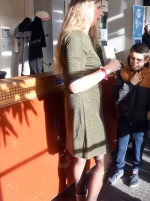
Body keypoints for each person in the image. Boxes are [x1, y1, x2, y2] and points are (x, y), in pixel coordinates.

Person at [54, 1, 121, 200]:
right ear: (85, 8)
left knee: (81, 157)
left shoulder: (78, 36)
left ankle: (81, 197)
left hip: (86, 106)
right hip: (85, 107)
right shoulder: (75, 37)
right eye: (99, 7)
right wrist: (107, 69)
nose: (101, 13)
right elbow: (75, 85)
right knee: (102, 160)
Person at [107, 43, 150, 187]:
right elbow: (116, 97)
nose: (134, 62)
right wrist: (130, 84)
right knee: (121, 146)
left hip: (142, 119)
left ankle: (135, 171)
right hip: (125, 117)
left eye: (139, 59)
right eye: (132, 58)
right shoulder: (122, 73)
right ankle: (119, 169)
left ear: (146, 60)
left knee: (139, 146)